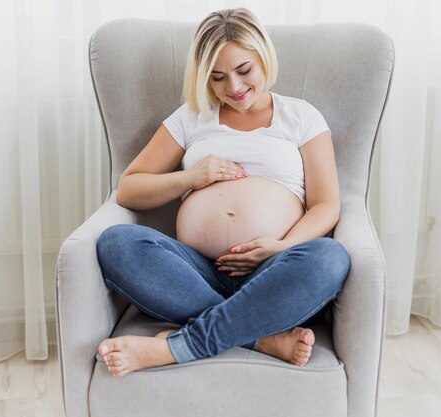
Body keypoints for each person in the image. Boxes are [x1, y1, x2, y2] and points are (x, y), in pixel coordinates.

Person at [95, 8, 350, 377]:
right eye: (217, 78)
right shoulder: (191, 117)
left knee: (330, 258)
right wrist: (191, 178)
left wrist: (282, 246)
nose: (234, 87)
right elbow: (129, 189)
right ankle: (258, 336)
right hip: (198, 272)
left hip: (273, 269)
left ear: (264, 57)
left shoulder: (301, 117)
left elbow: (327, 205)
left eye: (244, 70)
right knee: (116, 242)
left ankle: (178, 346)